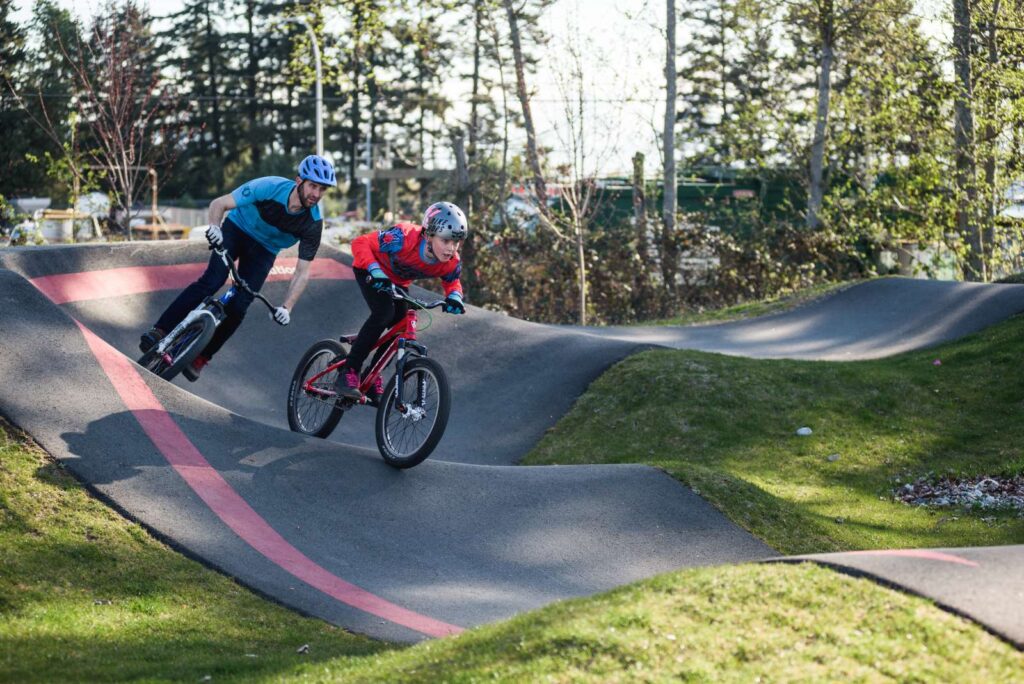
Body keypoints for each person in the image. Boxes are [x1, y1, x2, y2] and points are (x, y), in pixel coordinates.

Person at [139, 154, 337, 381]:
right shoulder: (270, 187)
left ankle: (201, 357)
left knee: (240, 305)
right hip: (237, 230)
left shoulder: (313, 222)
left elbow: (303, 271)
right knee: (211, 281)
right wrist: (215, 227)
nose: (317, 194)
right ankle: (160, 330)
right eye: (313, 186)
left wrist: (287, 307)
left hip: (265, 251)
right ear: (299, 181)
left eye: (322, 189)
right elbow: (219, 204)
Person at [337, 201, 468, 399]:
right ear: (428, 234)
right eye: (446, 240)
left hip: (397, 282)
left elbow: (452, 282)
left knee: (400, 324)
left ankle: (372, 376)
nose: (451, 248)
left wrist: (455, 297)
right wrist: (374, 269)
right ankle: (349, 371)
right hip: (369, 269)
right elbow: (360, 242)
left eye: (456, 242)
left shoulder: (450, 262)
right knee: (384, 313)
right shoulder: (403, 238)